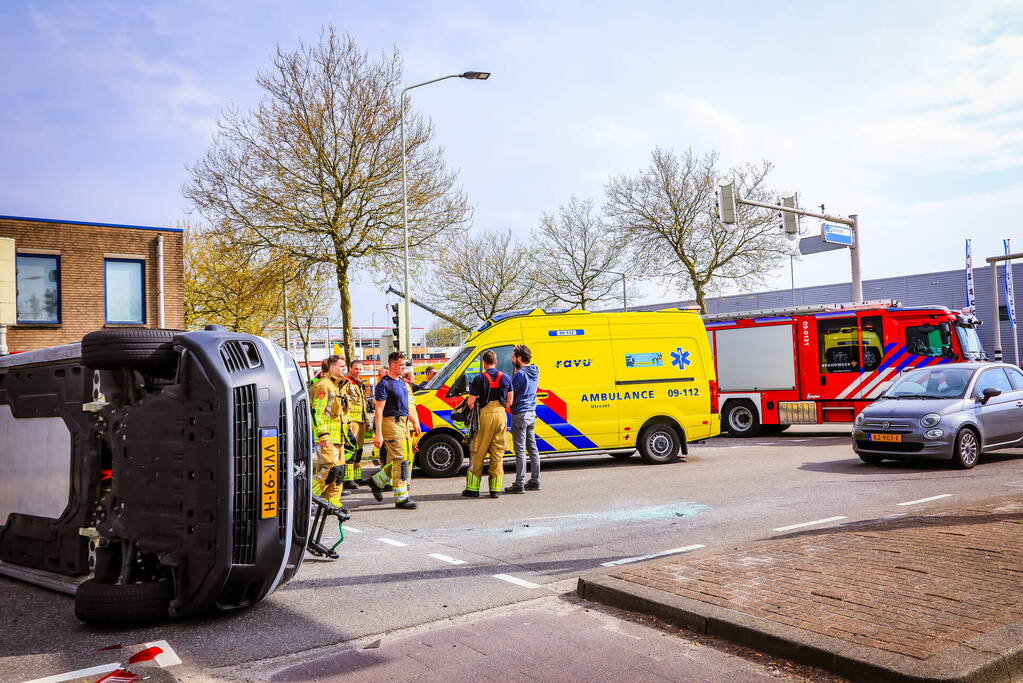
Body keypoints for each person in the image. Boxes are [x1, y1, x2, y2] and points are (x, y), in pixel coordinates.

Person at [369, 351, 419, 509]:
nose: (403, 367)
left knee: (404, 459)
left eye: (404, 364)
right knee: (400, 461)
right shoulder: (384, 384)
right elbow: (378, 410)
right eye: (400, 364)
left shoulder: (403, 383)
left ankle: (376, 481)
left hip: (403, 424)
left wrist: (414, 421)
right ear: (392, 365)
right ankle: (401, 499)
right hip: (390, 424)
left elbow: (405, 407)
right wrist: (378, 434)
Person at [462, 350, 513, 499]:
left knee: (478, 451)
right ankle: (495, 490)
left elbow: (470, 402)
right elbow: (510, 402)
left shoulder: (479, 379)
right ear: (495, 361)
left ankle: (472, 489)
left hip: (485, 416)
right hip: (501, 416)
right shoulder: (506, 378)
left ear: (484, 363)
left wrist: (473, 411)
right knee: (497, 454)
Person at [310, 355, 350, 507]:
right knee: (330, 470)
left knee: (338, 472)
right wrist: (322, 435)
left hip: (338, 437)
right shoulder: (323, 386)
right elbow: (317, 412)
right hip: (327, 438)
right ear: (332, 367)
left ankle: (332, 503)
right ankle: (307, 497)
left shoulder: (336, 385)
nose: (343, 369)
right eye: (341, 366)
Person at [505, 344, 541, 494]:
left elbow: (511, 391)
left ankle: (519, 483)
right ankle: (535, 480)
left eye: (514, 357)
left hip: (520, 414)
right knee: (532, 448)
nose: (512, 359)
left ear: (519, 358)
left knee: (520, 450)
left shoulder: (519, 375)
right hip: (531, 413)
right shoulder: (535, 371)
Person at [342, 360, 369, 489]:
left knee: (359, 449)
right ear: (350, 368)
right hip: (352, 420)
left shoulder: (360, 383)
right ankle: (348, 478)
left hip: (361, 420)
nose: (358, 371)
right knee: (350, 449)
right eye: (356, 369)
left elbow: (364, 404)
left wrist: (367, 421)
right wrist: (347, 422)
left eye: (360, 369)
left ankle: (357, 476)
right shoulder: (347, 382)